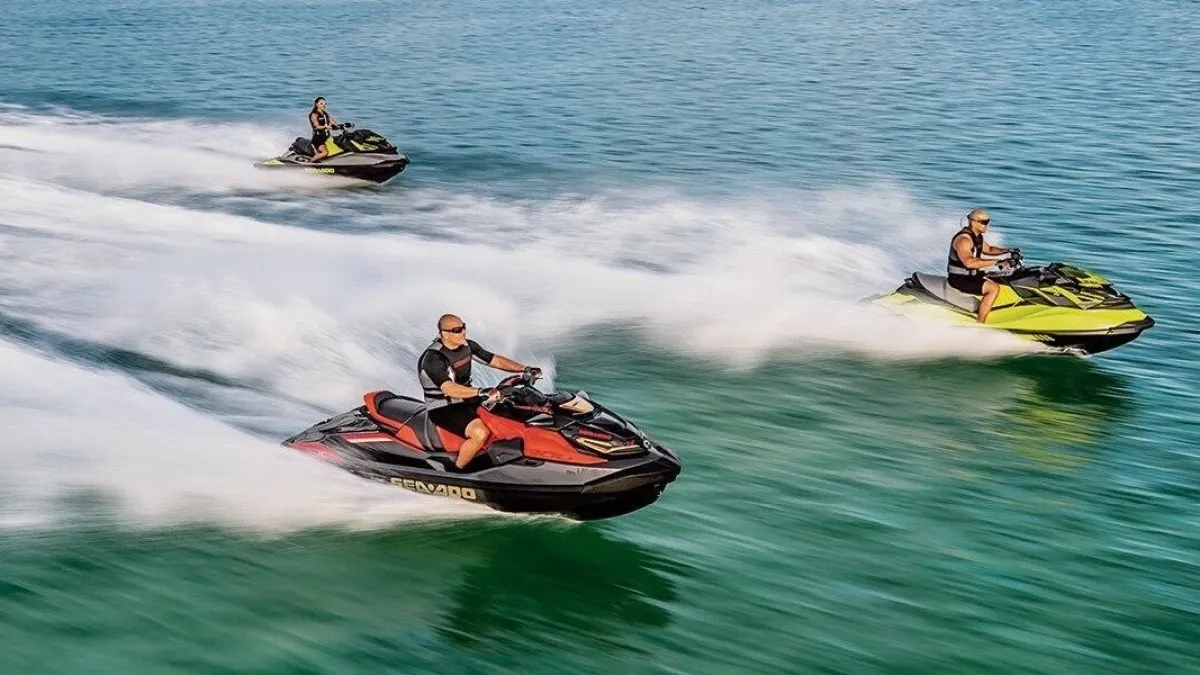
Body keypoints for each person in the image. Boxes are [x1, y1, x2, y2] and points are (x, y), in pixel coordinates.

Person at [417, 314, 542, 470]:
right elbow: (449, 388)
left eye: (463, 327)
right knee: (480, 433)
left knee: (508, 412)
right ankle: (457, 469)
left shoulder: (467, 346)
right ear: (445, 333)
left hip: (467, 400)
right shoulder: (433, 359)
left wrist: (524, 369)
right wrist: (480, 391)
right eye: (457, 330)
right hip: (444, 408)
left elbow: (495, 360)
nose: (463, 332)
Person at [946, 209, 1018, 323]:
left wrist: (1009, 251)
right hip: (959, 279)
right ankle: (980, 323)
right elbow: (969, 262)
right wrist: (996, 262)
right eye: (984, 222)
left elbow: (989, 249)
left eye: (988, 221)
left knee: (1003, 278)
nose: (987, 225)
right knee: (993, 288)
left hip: (972, 275)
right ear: (973, 222)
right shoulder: (963, 240)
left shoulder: (977, 236)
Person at [308, 97, 337, 163]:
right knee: (325, 153)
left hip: (327, 137)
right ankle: (309, 163)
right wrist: (325, 127)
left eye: (325, 104)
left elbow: (333, 123)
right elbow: (317, 126)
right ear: (316, 104)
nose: (323, 105)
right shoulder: (314, 114)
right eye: (321, 103)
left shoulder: (325, 114)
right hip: (318, 138)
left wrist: (343, 125)